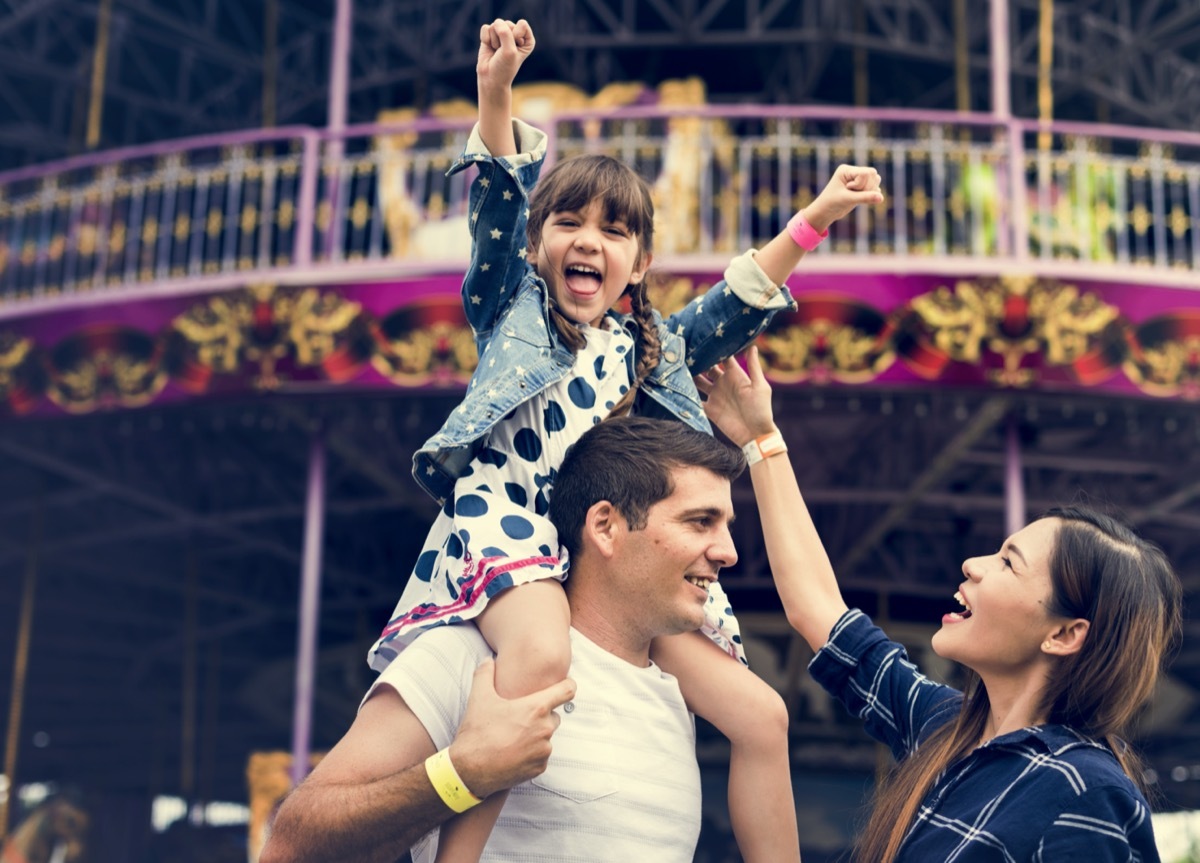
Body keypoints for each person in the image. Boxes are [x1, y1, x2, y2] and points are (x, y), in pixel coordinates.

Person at [363, 16, 884, 863]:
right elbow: (498, 195)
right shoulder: (514, 312)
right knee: (535, 655)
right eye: (569, 223)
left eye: (614, 232)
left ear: (638, 263)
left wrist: (817, 216)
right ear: (538, 248)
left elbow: (740, 297)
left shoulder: (649, 346)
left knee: (763, 713)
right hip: (516, 527)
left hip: (609, 550)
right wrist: (496, 93)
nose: (589, 242)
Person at [696, 346, 1183, 862]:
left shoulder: (1086, 794)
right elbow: (817, 609)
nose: (973, 563)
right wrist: (759, 439)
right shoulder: (947, 729)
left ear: (1064, 634)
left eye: (1008, 562)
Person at [261, 416, 752, 863]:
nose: (728, 552)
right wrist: (461, 775)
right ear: (605, 527)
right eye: (700, 521)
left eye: (726, 525)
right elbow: (290, 847)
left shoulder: (674, 697)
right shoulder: (476, 657)